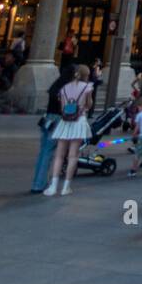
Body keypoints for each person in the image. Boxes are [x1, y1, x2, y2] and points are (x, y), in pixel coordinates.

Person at [43, 65, 94, 197]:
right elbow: (89, 105)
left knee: (59, 155)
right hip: (79, 121)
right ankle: (66, 186)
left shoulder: (65, 87)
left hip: (65, 121)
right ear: (86, 75)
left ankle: (53, 186)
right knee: (73, 156)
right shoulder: (87, 87)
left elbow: (62, 107)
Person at [31, 63, 75, 193]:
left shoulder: (55, 86)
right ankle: (39, 184)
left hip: (48, 119)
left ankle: (37, 182)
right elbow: (67, 108)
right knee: (48, 153)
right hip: (57, 120)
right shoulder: (67, 89)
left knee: (44, 151)